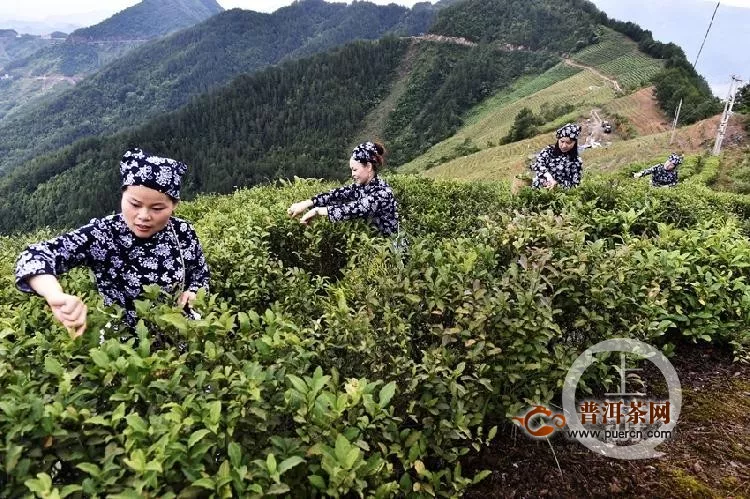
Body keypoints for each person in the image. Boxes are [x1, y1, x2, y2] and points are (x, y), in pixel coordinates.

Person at [14, 148, 210, 337]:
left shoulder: (182, 232)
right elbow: (34, 256)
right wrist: (54, 294)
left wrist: (194, 293)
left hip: (179, 331)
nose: (143, 216)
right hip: (122, 342)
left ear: (174, 205)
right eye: (134, 204)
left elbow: (200, 276)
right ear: (122, 195)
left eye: (157, 208)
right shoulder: (103, 234)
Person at [287, 141, 401, 240]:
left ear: (369, 167)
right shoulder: (360, 187)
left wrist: (317, 211)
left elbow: (355, 209)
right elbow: (336, 195)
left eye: (355, 169)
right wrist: (306, 203)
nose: (353, 174)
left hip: (392, 252)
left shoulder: (382, 193)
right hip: (373, 249)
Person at [530, 123, 583, 189]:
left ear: (574, 143)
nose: (564, 146)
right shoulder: (548, 151)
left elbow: (575, 184)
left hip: (560, 195)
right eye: (562, 141)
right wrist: (548, 176)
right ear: (558, 139)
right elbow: (538, 164)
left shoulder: (576, 161)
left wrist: (557, 184)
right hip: (539, 189)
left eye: (568, 143)